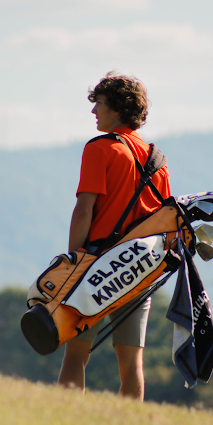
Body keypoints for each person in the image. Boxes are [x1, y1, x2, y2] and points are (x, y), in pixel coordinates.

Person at [58, 72, 171, 401]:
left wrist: (73, 261)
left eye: (100, 104)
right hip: (139, 269)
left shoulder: (101, 149)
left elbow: (84, 210)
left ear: (118, 109)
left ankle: (65, 419)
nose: (94, 111)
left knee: (76, 353)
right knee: (131, 361)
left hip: (95, 264)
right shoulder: (157, 160)